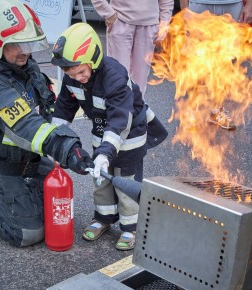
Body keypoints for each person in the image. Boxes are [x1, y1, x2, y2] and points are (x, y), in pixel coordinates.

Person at [0, 0, 94, 248]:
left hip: (28, 160)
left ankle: (17, 193)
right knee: (30, 232)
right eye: (17, 44)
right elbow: (26, 125)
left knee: (57, 202)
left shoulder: (26, 67)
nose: (25, 51)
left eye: (28, 43)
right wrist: (64, 146)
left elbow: (46, 107)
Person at [50, 23, 168, 250]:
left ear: (93, 59)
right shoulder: (73, 78)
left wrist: (105, 152)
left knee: (125, 184)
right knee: (101, 181)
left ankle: (131, 227)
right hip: (102, 134)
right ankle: (104, 218)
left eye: (82, 72)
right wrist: (55, 140)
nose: (79, 78)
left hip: (128, 136)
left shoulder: (115, 76)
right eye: (72, 74)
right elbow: (63, 109)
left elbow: (120, 121)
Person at [179, 0, 252, 130]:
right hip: (200, 4)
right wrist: (184, 8)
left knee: (225, 62)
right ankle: (193, 110)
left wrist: (250, 4)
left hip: (232, 5)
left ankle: (216, 110)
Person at [91, 0, 174, 100]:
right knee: (117, 77)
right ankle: (118, 112)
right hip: (120, 21)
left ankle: (137, 112)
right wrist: (108, 12)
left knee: (140, 81)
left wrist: (164, 23)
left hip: (149, 24)